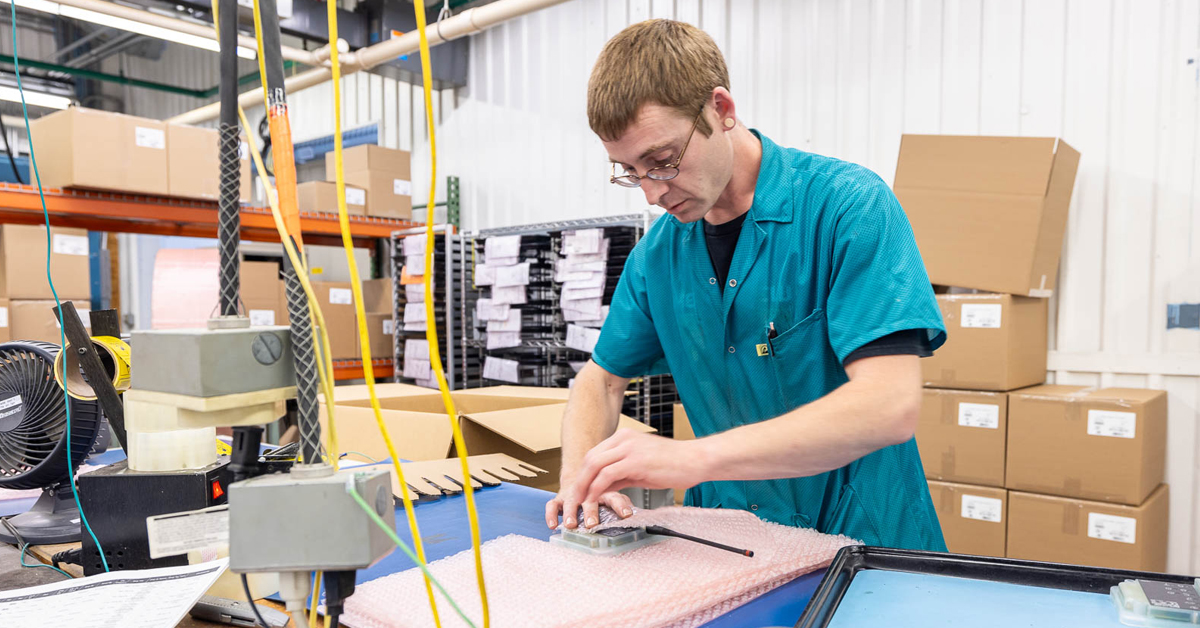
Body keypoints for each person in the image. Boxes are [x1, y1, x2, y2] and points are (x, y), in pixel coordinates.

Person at [543, 19, 948, 551]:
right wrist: (580, 478)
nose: (649, 194)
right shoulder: (656, 259)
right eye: (629, 170)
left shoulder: (847, 207)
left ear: (721, 110)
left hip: (865, 545)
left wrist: (688, 459)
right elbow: (600, 381)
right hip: (732, 547)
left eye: (662, 162)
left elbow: (888, 406)